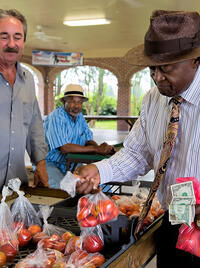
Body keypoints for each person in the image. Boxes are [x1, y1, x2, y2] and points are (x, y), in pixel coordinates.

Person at [74, 10, 200, 268]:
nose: (157, 77)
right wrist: (100, 171)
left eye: (166, 68)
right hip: (173, 219)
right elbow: (137, 153)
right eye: (152, 68)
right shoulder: (153, 99)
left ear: (195, 60)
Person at [0, 9, 49, 190]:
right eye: (4, 36)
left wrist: (40, 163)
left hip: (16, 186)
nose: (11, 44)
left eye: (17, 37)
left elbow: (34, 123)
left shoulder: (27, 79)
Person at [44, 83, 115, 189]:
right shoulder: (56, 117)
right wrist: (97, 149)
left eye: (79, 102)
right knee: (62, 192)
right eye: (72, 101)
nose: (76, 106)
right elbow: (64, 147)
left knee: (95, 184)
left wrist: (99, 149)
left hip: (73, 163)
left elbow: (88, 139)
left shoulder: (79, 117)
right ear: (64, 101)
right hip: (52, 163)